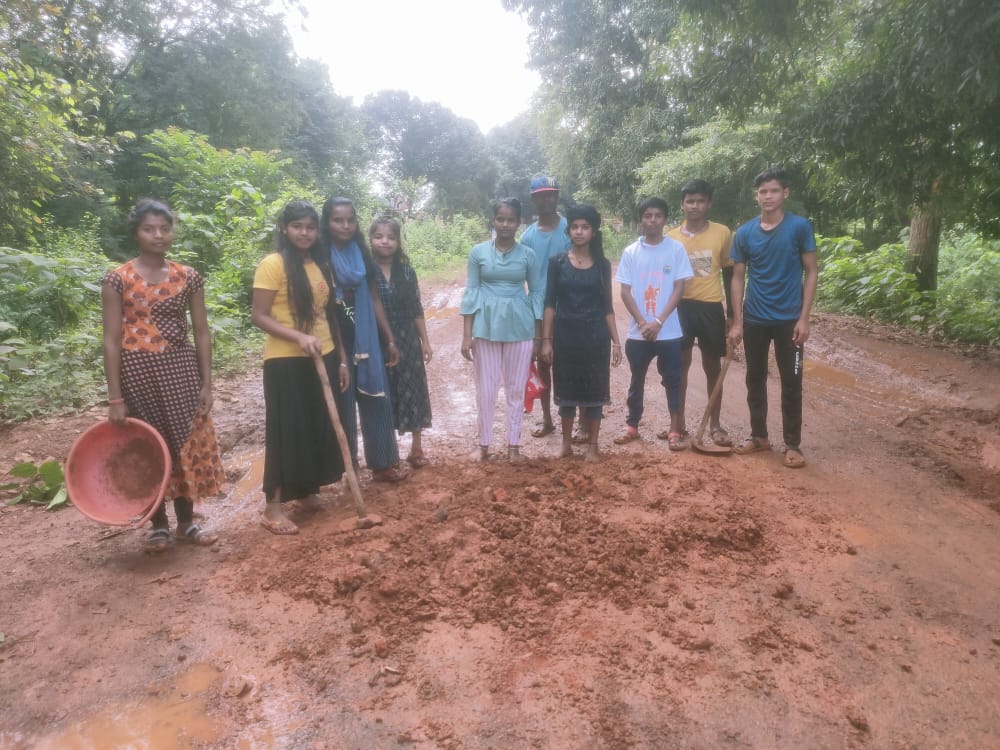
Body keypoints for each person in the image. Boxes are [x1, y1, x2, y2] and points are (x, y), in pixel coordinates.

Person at [102, 199, 225, 552]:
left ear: (172, 232)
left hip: (181, 371)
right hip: (137, 373)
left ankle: (186, 523)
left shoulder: (188, 277)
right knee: (149, 447)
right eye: (149, 229)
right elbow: (111, 340)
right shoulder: (117, 279)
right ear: (136, 233)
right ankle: (158, 525)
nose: (158, 235)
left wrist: (206, 383)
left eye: (164, 228)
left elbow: (201, 332)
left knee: (183, 442)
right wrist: (115, 397)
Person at [251, 201, 349, 535]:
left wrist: (342, 359)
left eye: (310, 227)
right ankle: (273, 507)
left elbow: (330, 315)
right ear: (284, 229)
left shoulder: (320, 263)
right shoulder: (272, 264)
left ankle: (307, 491)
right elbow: (259, 316)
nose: (304, 233)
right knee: (287, 430)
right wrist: (297, 336)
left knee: (315, 427)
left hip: (324, 354)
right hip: (285, 359)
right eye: (297, 226)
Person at [728, 167, 819, 468]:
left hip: (789, 321)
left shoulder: (799, 228)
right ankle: (759, 436)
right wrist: (737, 321)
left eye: (774, 191)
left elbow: (811, 271)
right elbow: (738, 278)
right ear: (757, 196)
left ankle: (793, 444)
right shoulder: (744, 233)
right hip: (755, 319)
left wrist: (804, 318)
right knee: (754, 378)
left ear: (785, 194)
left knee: (792, 380)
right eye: (763, 192)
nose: (768, 196)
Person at [322, 197, 411, 483]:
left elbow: (373, 298)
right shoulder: (320, 257)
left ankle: (383, 464)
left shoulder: (362, 255)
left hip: (367, 338)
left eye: (350, 220)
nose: (345, 226)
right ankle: (350, 468)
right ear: (327, 222)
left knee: (376, 398)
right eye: (338, 220)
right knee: (343, 404)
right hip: (334, 339)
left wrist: (389, 339)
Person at [460, 198, 543, 462]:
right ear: (493, 221)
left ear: (519, 223)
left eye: (511, 220)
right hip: (486, 326)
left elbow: (537, 293)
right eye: (501, 219)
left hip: (520, 326)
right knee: (486, 389)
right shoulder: (478, 253)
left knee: (516, 389)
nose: (505, 224)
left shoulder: (528, 255)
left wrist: (540, 336)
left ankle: (513, 447)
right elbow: (472, 291)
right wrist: (466, 334)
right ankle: (483, 446)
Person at [540, 205, 622, 461]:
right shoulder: (557, 263)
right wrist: (546, 341)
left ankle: (593, 446)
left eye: (585, 227)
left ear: (594, 232)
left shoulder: (603, 266)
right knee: (566, 390)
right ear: (569, 231)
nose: (579, 231)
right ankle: (566, 444)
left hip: (596, 337)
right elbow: (550, 303)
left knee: (595, 391)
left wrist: (616, 341)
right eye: (575, 227)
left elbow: (607, 306)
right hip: (566, 335)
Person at [613, 197, 694, 448]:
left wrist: (658, 321)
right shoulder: (630, 252)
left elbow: (679, 288)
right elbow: (625, 291)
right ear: (641, 220)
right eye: (647, 216)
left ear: (665, 219)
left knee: (672, 379)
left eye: (658, 215)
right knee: (636, 380)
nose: (652, 220)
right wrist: (642, 322)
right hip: (639, 333)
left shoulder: (676, 249)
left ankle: (674, 429)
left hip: (668, 331)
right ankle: (631, 425)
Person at [667, 179, 735, 448]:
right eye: (689, 201)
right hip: (680, 307)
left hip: (710, 307)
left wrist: (731, 313)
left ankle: (715, 424)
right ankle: (678, 423)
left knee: (712, 366)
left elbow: (730, 273)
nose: (694, 206)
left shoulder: (722, 233)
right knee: (679, 366)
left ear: (709, 204)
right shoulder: (671, 236)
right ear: (682, 204)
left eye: (700, 201)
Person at [370, 215, 433, 468]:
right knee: (383, 393)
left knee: (413, 388)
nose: (385, 242)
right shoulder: (365, 271)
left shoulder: (407, 271)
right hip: (376, 339)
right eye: (379, 236)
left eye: (391, 237)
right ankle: (388, 454)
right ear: (371, 239)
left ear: (398, 241)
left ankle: (417, 448)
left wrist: (425, 341)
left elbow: (415, 307)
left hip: (406, 337)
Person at [519, 175, 572, 440]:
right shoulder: (527, 237)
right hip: (538, 308)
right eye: (541, 195)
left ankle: (578, 421)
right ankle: (547, 418)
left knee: (571, 364)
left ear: (557, 197)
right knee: (543, 363)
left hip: (569, 304)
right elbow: (523, 278)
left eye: (551, 194)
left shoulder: (569, 229)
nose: (546, 199)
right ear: (533, 200)